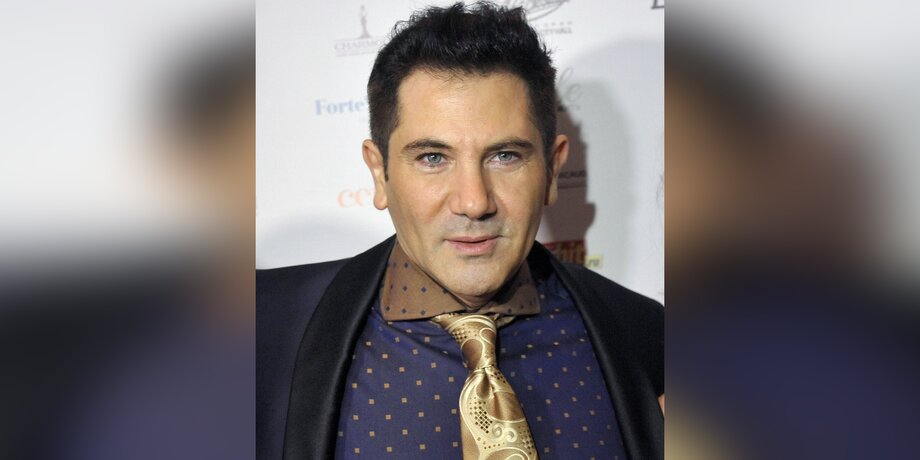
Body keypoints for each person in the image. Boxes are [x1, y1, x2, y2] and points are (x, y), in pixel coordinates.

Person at [257, 3, 663, 459]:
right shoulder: (254, 332)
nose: (474, 202)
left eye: (505, 156)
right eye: (433, 158)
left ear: (552, 170)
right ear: (379, 172)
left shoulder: (649, 337)